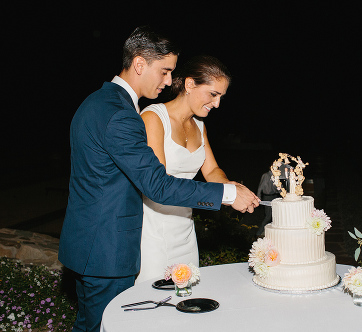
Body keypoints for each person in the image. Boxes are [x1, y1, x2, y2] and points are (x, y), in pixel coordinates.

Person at [59, 26, 260, 332]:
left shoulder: (97, 102)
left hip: (92, 243)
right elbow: (157, 186)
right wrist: (228, 194)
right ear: (139, 64)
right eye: (164, 71)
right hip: (108, 250)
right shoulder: (122, 114)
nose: (169, 81)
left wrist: (226, 186)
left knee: (93, 326)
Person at [134, 55, 238, 282]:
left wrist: (233, 189)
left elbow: (211, 171)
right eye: (213, 94)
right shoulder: (153, 117)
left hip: (185, 232)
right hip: (153, 233)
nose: (217, 104)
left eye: (221, 97)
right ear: (190, 84)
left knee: (187, 299)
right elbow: (160, 182)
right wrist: (226, 194)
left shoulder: (200, 126)